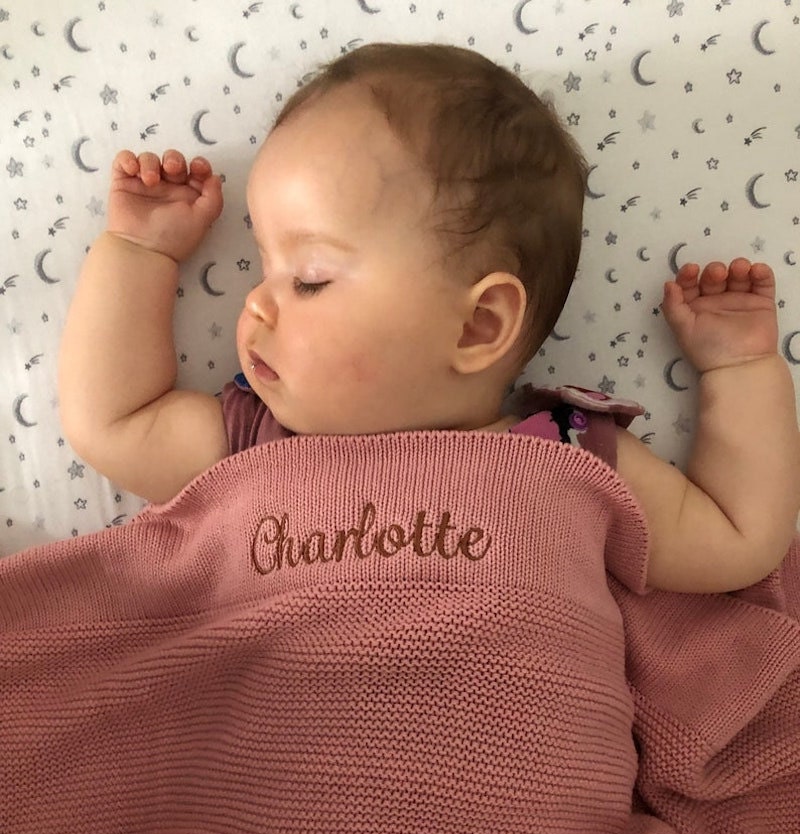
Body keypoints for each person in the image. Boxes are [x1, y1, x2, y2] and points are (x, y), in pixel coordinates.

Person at [58, 41, 800, 594]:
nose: (255, 302)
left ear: (478, 326)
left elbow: (739, 541)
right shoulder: (256, 441)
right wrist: (138, 253)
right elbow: (112, 419)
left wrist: (740, 369)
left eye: (309, 278)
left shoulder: (573, 458)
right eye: (261, 266)